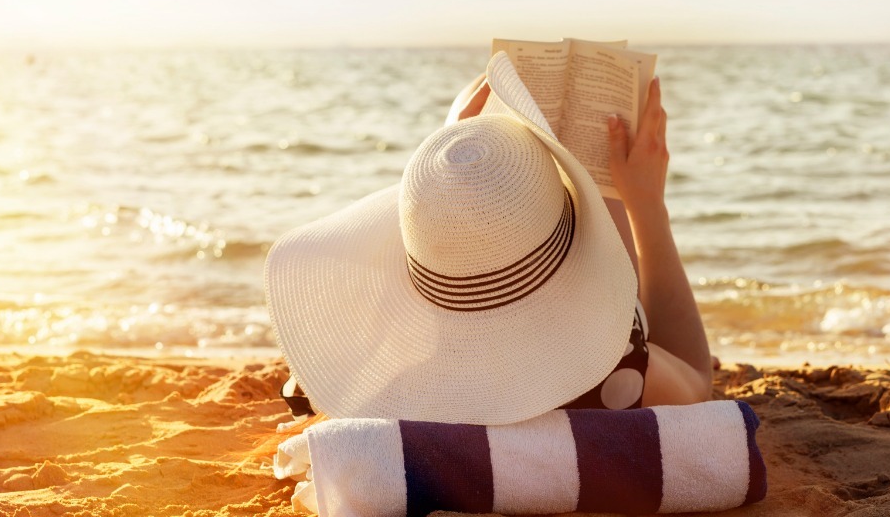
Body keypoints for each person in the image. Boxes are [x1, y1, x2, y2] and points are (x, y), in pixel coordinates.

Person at [264, 52, 713, 427]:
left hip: (436, 336)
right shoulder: (619, 371)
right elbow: (696, 380)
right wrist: (646, 204)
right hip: (588, 339)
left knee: (468, 180)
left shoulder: (386, 384)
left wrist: (452, 151)